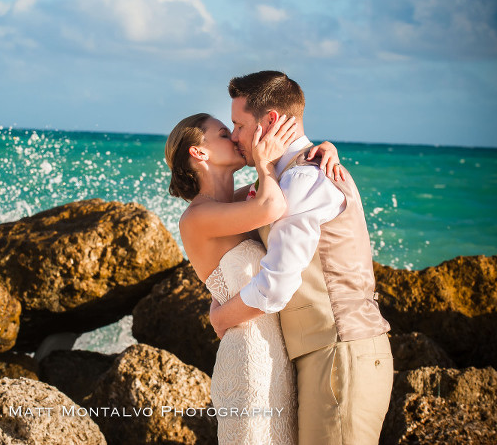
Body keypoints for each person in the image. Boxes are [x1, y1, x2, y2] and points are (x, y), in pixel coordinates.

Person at [209, 70, 393, 445]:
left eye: (239, 125)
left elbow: (275, 287)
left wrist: (220, 318)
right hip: (327, 355)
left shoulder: (304, 180)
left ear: (271, 121)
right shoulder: (284, 180)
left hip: (341, 355)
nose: (235, 136)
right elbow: (222, 205)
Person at [165, 112, 343, 444]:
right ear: (198, 152)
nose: (234, 137)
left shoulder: (236, 202)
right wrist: (263, 162)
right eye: (222, 133)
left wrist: (322, 151)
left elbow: (287, 184)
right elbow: (273, 206)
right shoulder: (196, 217)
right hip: (248, 361)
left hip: (278, 357)